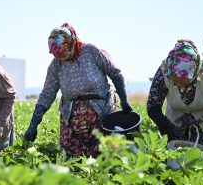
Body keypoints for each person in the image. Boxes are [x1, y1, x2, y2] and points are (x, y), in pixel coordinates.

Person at [24, 23, 132, 157]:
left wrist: (124, 101)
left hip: (101, 112)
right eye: (56, 55)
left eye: (62, 53)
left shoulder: (92, 52)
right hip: (71, 116)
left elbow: (116, 74)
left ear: (71, 43)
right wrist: (33, 124)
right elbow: (47, 94)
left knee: (101, 155)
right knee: (71, 157)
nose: (61, 58)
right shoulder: (56, 65)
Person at [147, 39, 203, 155]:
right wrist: (164, 124)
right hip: (178, 117)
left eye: (184, 78)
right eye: (175, 78)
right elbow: (152, 105)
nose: (179, 81)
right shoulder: (164, 71)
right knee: (179, 154)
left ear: (194, 71)